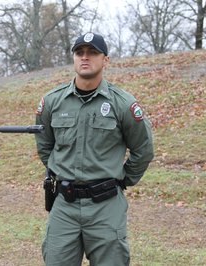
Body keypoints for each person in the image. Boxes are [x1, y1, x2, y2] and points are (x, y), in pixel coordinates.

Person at [35, 32, 154, 266]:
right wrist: (61, 172)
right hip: (64, 206)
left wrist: (121, 180)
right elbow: (45, 146)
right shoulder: (52, 102)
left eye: (92, 53)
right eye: (80, 52)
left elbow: (143, 150)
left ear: (105, 60)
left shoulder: (122, 104)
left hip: (106, 206)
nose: (85, 57)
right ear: (74, 58)